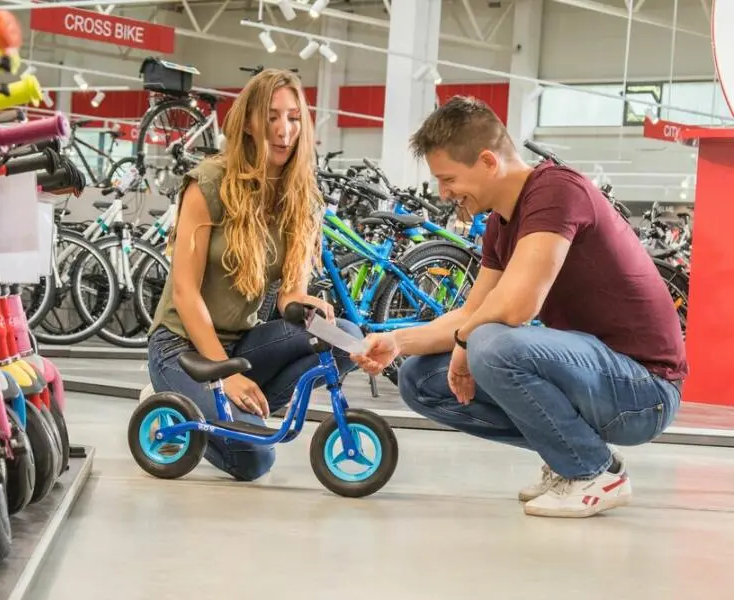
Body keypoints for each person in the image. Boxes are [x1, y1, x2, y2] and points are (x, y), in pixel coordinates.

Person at [351, 95, 687, 518]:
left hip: (646, 390)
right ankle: (577, 457)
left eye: (449, 178)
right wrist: (396, 342)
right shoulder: (500, 221)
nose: (444, 193)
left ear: (488, 162)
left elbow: (515, 307)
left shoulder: (556, 190)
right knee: (419, 379)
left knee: (491, 344)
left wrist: (463, 346)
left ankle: (593, 473)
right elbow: (472, 312)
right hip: (597, 377)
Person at [147, 68, 362, 482]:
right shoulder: (208, 184)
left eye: (294, 118)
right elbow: (185, 292)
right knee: (254, 461)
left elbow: (287, 297)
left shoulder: (299, 194)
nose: (284, 130)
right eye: (272, 117)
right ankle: (182, 404)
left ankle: (237, 409)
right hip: (183, 348)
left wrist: (305, 302)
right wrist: (225, 373)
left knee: (346, 339)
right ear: (248, 122)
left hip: (243, 344)